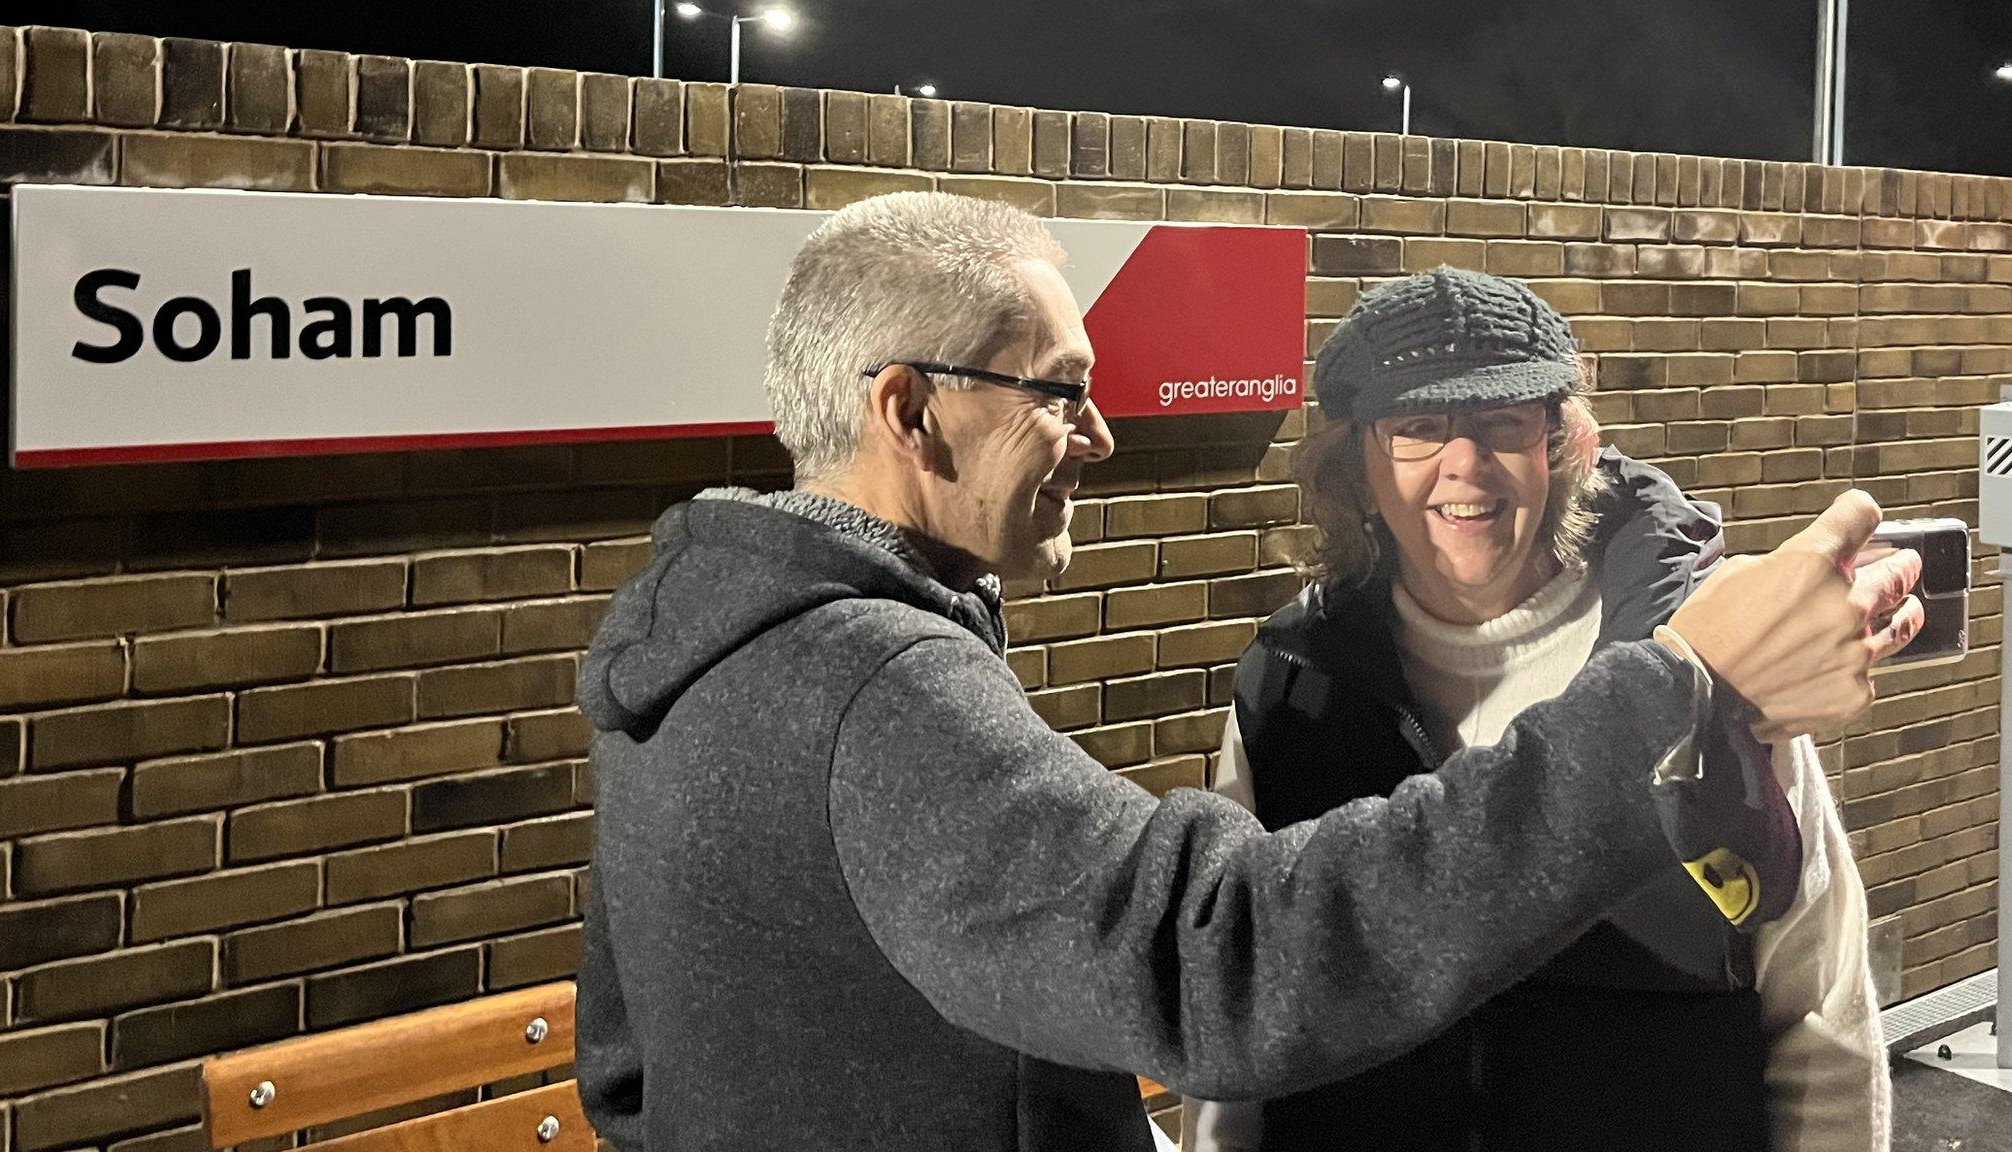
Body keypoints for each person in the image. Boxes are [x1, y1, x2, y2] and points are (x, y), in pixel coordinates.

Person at [571, 192, 1920, 1152]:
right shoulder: (892, 689)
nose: (1098, 435)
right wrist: (1675, 690)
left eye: (1504, 426)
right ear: (912, 410)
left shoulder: (684, 656)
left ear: (1569, 443)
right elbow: (1226, 971)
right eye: (1058, 390)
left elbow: (626, 1077)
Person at [1184, 267, 1890, 1152]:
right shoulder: (1292, 685)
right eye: (1418, 429)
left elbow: (1819, 1013)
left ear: (1563, 446)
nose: (1466, 464)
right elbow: (1238, 1009)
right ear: (1358, 468)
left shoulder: (1698, 661)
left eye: (1502, 424)